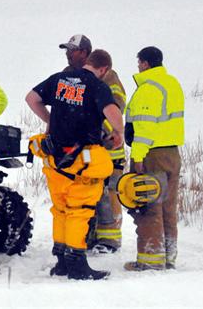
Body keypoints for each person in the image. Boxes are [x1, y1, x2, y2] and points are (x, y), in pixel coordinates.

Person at [25, 43, 124, 281]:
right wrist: (119, 133)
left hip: (55, 158)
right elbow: (112, 111)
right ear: (103, 69)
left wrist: (50, 120)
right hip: (81, 159)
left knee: (60, 210)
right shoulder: (97, 85)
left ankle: (60, 260)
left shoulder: (60, 78)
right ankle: (77, 263)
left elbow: (31, 98)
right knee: (79, 211)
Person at [124, 46, 185, 271]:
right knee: (168, 207)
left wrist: (138, 157)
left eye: (139, 62)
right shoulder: (172, 83)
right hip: (172, 154)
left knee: (149, 206)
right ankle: (168, 257)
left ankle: (150, 260)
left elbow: (144, 128)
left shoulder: (148, 89)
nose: (138, 65)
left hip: (152, 155)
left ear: (146, 63)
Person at [85, 49, 127, 254]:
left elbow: (115, 110)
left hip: (111, 152)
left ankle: (110, 240)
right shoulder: (89, 79)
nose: (69, 55)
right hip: (95, 152)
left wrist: (104, 135)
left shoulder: (110, 82)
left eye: (73, 52)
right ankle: (94, 235)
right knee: (95, 195)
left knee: (110, 195)